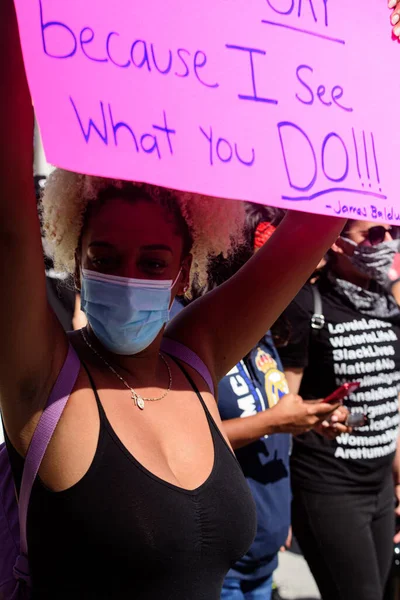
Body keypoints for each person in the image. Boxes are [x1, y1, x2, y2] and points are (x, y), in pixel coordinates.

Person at [0, 2, 347, 598]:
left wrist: (373, 62)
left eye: (152, 263)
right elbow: (6, 214)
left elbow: (320, 218)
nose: (127, 277)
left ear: (184, 271)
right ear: (74, 258)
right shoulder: (44, 380)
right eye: (104, 258)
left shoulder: (195, 356)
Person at [188, 204, 349, 600]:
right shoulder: (190, 337)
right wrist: (274, 422)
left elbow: (272, 420)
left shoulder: (263, 335)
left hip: (264, 556)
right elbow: (182, 441)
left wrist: (307, 419)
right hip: (219, 567)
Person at [279, 220, 400, 600]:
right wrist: (317, 412)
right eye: (374, 234)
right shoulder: (306, 305)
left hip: (380, 485)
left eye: (393, 231)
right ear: (336, 242)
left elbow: (393, 395)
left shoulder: (390, 306)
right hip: (329, 486)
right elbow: (283, 407)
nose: (387, 242)